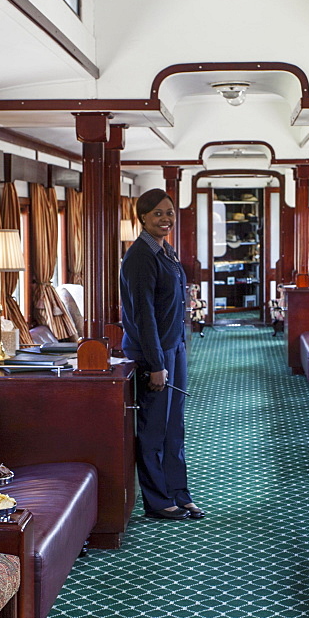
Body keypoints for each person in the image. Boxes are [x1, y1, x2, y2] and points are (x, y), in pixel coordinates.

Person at [119, 188, 204, 521]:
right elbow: (142, 316)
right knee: (154, 428)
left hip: (174, 347)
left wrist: (176, 349)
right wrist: (156, 364)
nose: (166, 219)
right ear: (142, 217)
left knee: (174, 426)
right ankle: (157, 501)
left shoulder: (165, 251)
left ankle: (179, 493)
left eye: (169, 212)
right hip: (152, 353)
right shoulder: (139, 257)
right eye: (158, 213)